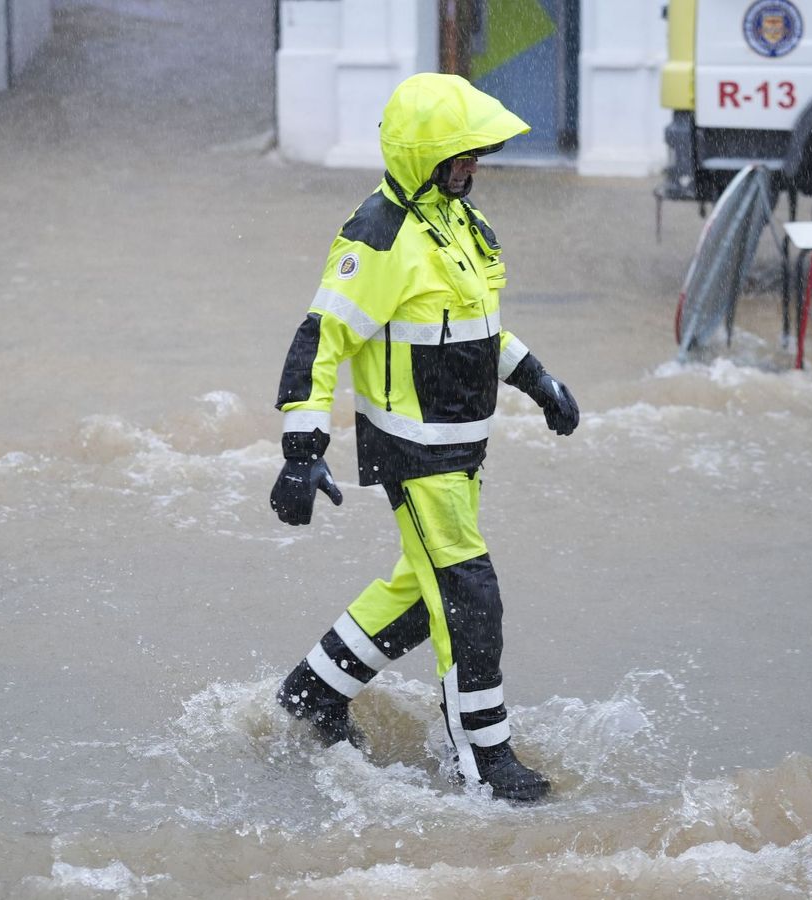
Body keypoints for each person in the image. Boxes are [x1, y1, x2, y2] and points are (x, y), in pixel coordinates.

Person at [269, 73, 580, 803]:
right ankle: (486, 761)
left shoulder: (458, 226)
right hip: (416, 456)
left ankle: (313, 692)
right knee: (470, 597)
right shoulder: (378, 237)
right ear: (424, 156)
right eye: (461, 155)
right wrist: (301, 452)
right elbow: (320, 340)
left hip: (463, 451)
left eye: (477, 155)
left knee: (421, 590)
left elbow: (476, 332)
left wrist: (538, 381)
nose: (473, 167)